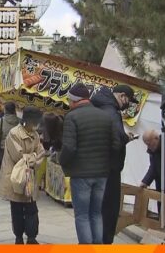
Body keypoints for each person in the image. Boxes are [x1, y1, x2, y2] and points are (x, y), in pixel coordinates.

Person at [60, 83, 122, 244]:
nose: (68, 103)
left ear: (74, 101)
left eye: (69, 100)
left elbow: (68, 147)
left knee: (82, 215)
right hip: (102, 174)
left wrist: (62, 161)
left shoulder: (71, 117)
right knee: (96, 213)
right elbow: (116, 145)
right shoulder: (106, 116)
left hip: (81, 175)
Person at [90, 84, 139, 244]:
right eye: (129, 101)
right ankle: (104, 242)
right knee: (109, 208)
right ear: (122, 96)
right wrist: (126, 139)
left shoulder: (98, 106)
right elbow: (116, 141)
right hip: (109, 168)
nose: (127, 104)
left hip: (96, 165)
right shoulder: (112, 112)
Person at [0, 106, 46, 244]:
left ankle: (32, 237)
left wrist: (32, 157)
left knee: (32, 208)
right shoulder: (14, 133)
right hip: (16, 177)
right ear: (28, 121)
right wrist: (34, 156)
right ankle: (18, 237)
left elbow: (41, 153)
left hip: (30, 176)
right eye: (35, 122)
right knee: (17, 209)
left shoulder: (35, 135)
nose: (36, 125)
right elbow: (18, 156)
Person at [0, 102, 20, 169]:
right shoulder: (20, 122)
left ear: (5, 110)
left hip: (4, 147)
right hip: (17, 148)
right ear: (14, 110)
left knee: (5, 168)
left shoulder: (1, 121)